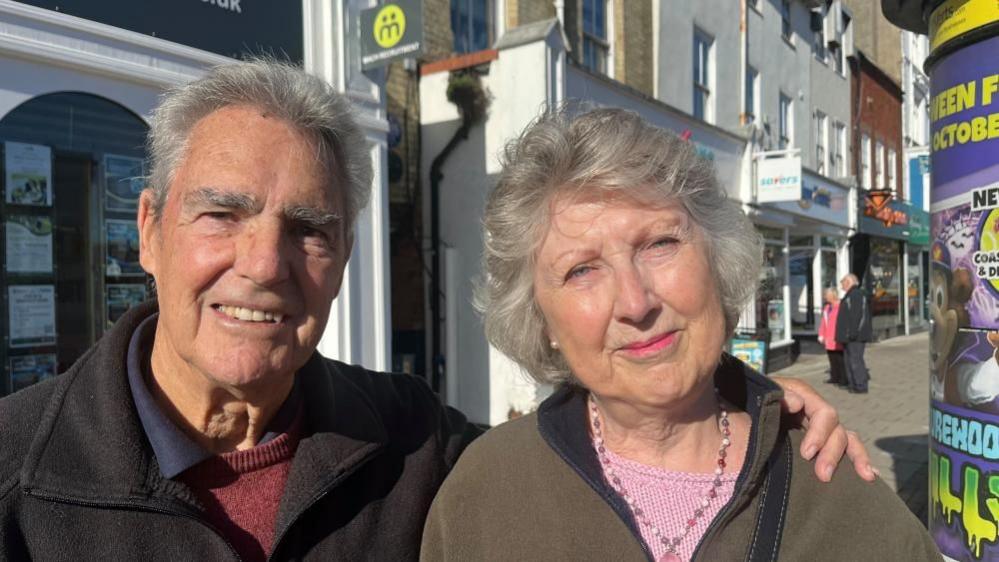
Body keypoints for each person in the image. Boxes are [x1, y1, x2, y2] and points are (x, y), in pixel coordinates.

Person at [0, 61, 867, 561]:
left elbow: (623, 399)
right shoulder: (17, 477)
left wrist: (749, 399)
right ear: (148, 231)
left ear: (340, 259)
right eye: (221, 214)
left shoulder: (412, 442)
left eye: (308, 229)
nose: (262, 264)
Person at [421, 108, 938, 561]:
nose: (636, 302)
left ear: (717, 260)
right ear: (543, 322)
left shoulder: (834, 488)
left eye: (660, 244)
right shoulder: (486, 493)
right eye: (581, 270)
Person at [836, 273, 872, 394]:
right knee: (849, 361)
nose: (842, 287)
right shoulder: (850, 295)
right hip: (849, 336)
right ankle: (853, 385)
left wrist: (852, 333)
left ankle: (860, 386)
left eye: (843, 284)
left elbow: (856, 316)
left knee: (855, 361)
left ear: (849, 282)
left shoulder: (855, 295)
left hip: (854, 337)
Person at [817, 287, 846, 387]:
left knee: (840, 360)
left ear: (832, 295)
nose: (824, 297)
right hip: (828, 338)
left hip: (838, 338)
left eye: (826, 295)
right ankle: (834, 378)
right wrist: (821, 334)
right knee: (832, 359)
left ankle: (843, 379)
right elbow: (823, 323)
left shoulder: (841, 306)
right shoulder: (826, 308)